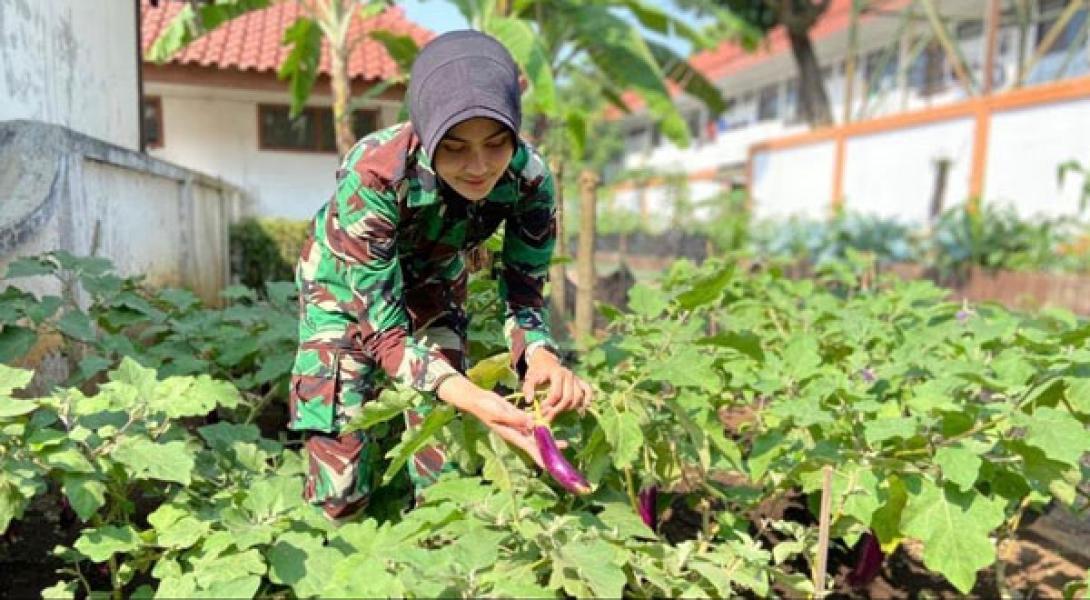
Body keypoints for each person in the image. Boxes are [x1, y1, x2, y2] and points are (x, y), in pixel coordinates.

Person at [288, 30, 593, 522]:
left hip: (433, 277)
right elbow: (385, 336)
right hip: (344, 285)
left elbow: (524, 295)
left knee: (443, 439)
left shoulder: (530, 180)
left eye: (497, 144)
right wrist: (472, 394)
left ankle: (436, 542)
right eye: (454, 148)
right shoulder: (374, 175)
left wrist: (539, 355)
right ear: (427, 134)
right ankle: (341, 537)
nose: (478, 167)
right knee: (338, 462)